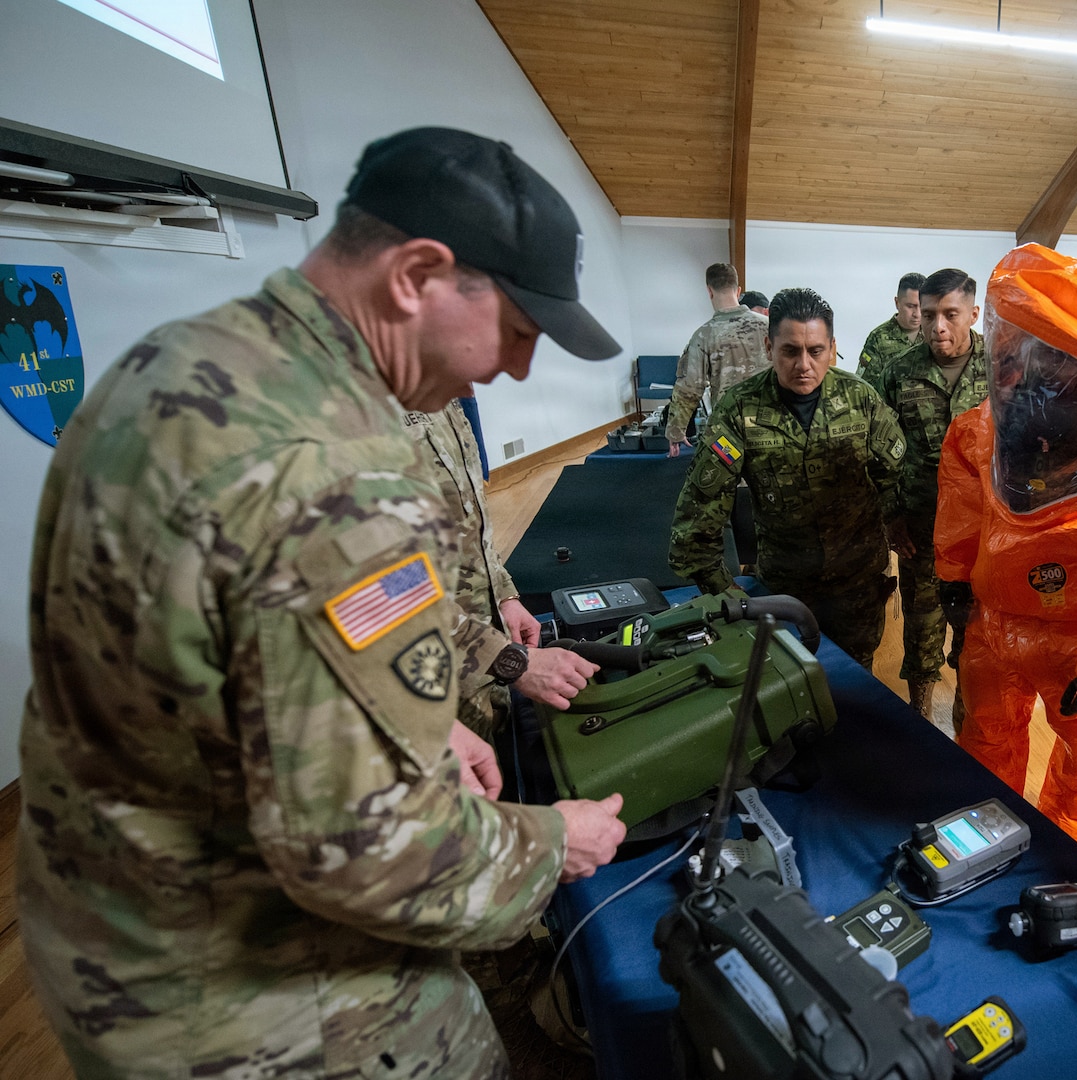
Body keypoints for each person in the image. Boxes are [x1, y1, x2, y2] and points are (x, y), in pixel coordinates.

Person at [16, 127, 630, 1078]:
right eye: (518, 329)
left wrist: (416, 732)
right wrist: (555, 843)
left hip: (130, 945)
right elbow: (370, 853)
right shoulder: (335, 477)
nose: (515, 369)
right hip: (276, 1007)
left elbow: (227, 662)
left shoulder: (182, 366)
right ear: (417, 274)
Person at [934, 245, 1077, 856]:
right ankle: (982, 848)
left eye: (1053, 361)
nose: (1034, 374)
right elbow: (962, 506)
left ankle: (1066, 868)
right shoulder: (980, 431)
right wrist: (952, 577)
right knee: (986, 748)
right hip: (995, 623)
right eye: (1024, 354)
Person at [668, 288, 905, 669]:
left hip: (857, 582)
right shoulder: (740, 409)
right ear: (768, 347)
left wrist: (897, 529)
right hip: (786, 587)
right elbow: (700, 509)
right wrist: (722, 587)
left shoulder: (861, 399)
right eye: (790, 351)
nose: (804, 364)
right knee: (788, 682)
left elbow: (894, 476)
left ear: (832, 347)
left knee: (859, 679)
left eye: (815, 351)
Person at [871, 269, 991, 715]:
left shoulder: (1002, 368)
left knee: (975, 625)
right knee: (921, 623)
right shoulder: (898, 372)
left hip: (984, 529)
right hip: (921, 524)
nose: (938, 326)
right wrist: (890, 516)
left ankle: (966, 707)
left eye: (950, 314)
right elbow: (878, 451)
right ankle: (920, 713)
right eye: (928, 315)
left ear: (973, 314)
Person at [403, 397, 545, 743]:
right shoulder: (349, 408)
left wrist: (504, 594)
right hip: (426, 662)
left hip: (481, 643)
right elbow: (377, 582)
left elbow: (468, 525)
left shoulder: (447, 398)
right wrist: (502, 657)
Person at [665, 262, 769, 456]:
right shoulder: (770, 327)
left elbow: (689, 387)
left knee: (725, 477)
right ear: (738, 291)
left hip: (726, 431)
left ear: (709, 291)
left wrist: (676, 430)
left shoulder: (704, 335)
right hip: (769, 425)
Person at [856, 271, 924, 383]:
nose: (917, 313)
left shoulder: (935, 333)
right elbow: (865, 387)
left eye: (921, 306)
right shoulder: (879, 338)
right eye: (910, 306)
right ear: (897, 303)